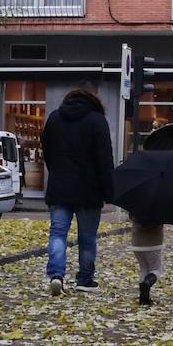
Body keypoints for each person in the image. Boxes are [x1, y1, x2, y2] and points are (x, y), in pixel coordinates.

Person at [41, 89, 114, 296]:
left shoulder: (55, 118)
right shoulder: (97, 121)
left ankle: (56, 275)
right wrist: (109, 191)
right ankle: (85, 279)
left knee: (57, 233)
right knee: (88, 237)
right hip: (89, 190)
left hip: (59, 186)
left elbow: (46, 148)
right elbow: (105, 159)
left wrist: (56, 170)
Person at [130, 218, 162, 305]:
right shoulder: (159, 212)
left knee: (143, 268)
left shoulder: (136, 210)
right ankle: (147, 282)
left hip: (136, 244)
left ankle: (143, 298)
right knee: (156, 270)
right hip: (153, 244)